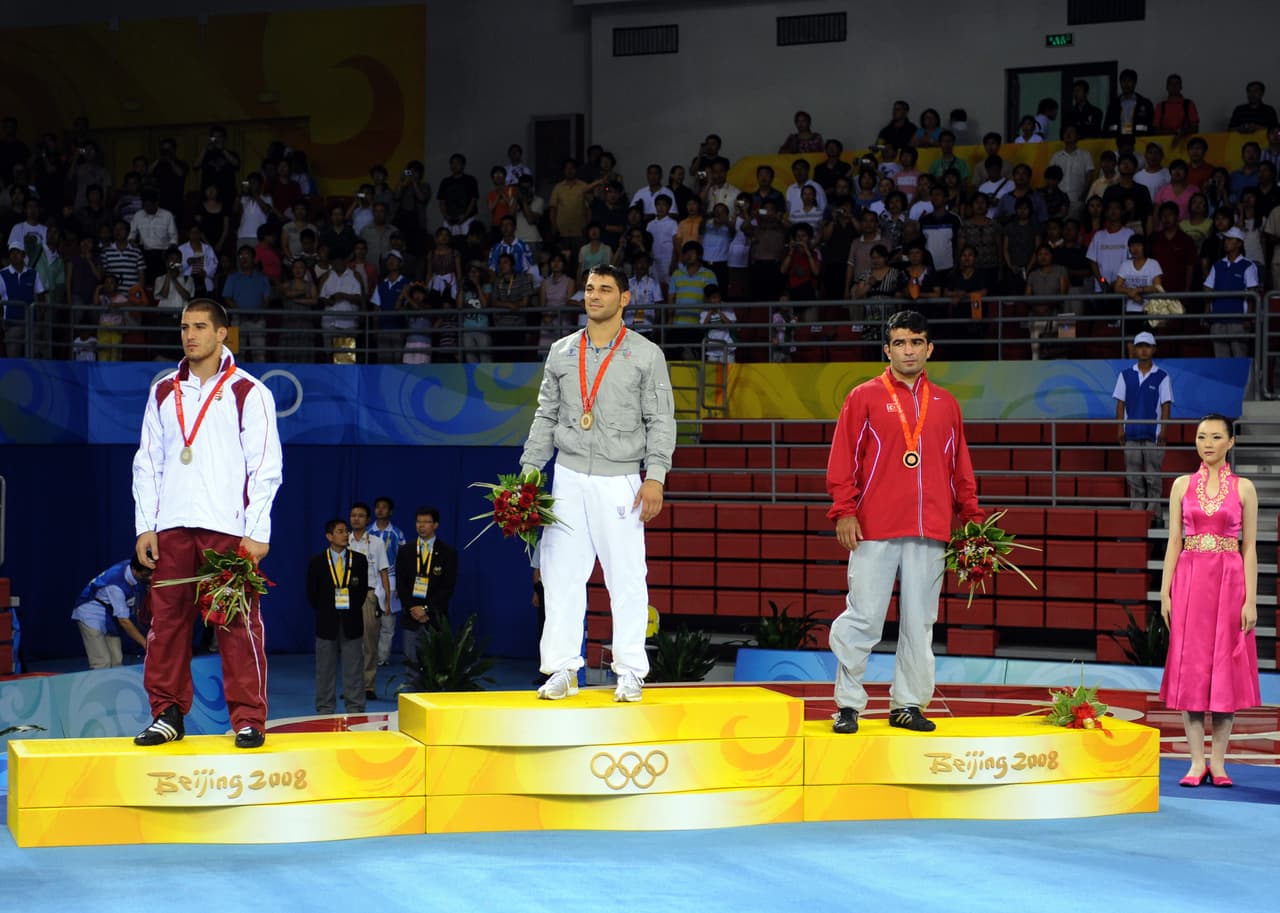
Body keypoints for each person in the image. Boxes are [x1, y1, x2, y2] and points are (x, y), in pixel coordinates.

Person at [519, 264, 676, 703]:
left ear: (625, 298)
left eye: (605, 289)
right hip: (567, 475)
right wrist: (530, 475)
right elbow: (545, 416)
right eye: (589, 289)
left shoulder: (646, 354)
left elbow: (661, 421)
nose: (595, 296)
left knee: (627, 576)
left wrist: (656, 477)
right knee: (559, 574)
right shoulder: (562, 352)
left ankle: (629, 670)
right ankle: (562, 668)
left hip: (621, 478)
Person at [131, 299, 283, 749]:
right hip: (173, 526)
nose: (189, 335)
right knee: (166, 625)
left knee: (237, 624)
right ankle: (166, 714)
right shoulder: (162, 391)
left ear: (222, 335)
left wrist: (257, 531)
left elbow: (265, 467)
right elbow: (147, 464)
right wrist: (145, 525)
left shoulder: (249, 392)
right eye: (183, 327)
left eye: (200, 326)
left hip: (227, 529)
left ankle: (249, 719)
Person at [826, 310, 982, 734]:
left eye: (916, 342)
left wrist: (972, 518)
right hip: (874, 527)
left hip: (931, 529)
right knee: (863, 617)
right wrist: (844, 510)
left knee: (920, 622)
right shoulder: (864, 396)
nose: (908, 350)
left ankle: (907, 703)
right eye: (899, 343)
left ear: (929, 348)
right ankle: (847, 704)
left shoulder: (947, 404)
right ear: (887, 349)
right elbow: (843, 459)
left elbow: (960, 467)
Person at [1159, 414, 1259, 788]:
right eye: (1202, 437)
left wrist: (1250, 600)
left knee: (1224, 672)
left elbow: (1249, 547)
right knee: (1193, 671)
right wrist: (1164, 591)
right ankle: (1196, 761)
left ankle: (1218, 763)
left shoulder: (1245, 488)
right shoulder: (1181, 485)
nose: (1208, 443)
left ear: (1231, 442)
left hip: (1230, 583)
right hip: (1190, 580)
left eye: (1216, 437)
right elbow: (1173, 541)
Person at [306, 519, 371, 715]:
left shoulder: (359, 560)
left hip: (352, 622)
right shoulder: (317, 562)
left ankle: (356, 708)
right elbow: (312, 594)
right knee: (325, 670)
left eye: (346, 531)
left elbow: (361, 593)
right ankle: (325, 709)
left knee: (354, 669)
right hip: (327, 623)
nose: (345, 535)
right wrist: (329, 610)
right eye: (340, 531)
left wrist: (347, 609)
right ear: (329, 537)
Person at [1113, 332, 1173, 516]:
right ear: (1134, 349)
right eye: (1140, 346)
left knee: (1152, 476)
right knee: (1133, 476)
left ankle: (1153, 512)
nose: (1144, 349)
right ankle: (1137, 511)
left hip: (1153, 435)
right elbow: (1120, 404)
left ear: (1153, 349)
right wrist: (1119, 429)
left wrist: (1163, 430)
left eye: (1147, 346)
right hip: (1131, 433)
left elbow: (1165, 405)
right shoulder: (1125, 375)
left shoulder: (1162, 376)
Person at [393, 506, 457, 665]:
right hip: (411, 616)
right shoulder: (405, 551)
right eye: (418, 522)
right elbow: (401, 584)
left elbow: (447, 587)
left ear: (435, 525)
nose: (421, 526)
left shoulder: (448, 552)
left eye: (426, 522)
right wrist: (413, 608)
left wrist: (426, 609)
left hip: (434, 617)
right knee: (412, 665)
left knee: (435, 666)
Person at [71, 556, 152, 670]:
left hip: (109, 613)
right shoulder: (116, 586)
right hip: (89, 612)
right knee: (102, 662)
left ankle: (115, 687)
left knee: (116, 661)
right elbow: (124, 622)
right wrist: (145, 644)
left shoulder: (134, 564)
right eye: (146, 575)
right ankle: (100, 687)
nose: (150, 577)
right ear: (134, 570)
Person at [347, 502, 391, 701]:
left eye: (361, 516)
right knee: (349, 644)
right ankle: (351, 686)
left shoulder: (376, 543)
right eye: (353, 515)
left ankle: (368, 685)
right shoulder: (343, 540)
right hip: (346, 596)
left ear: (367, 520)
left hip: (368, 595)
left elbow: (383, 572)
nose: (356, 519)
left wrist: (387, 600)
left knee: (369, 643)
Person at [1202, 226, 1259, 359]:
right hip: (1218, 319)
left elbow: (1252, 293)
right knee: (1221, 361)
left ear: (1239, 243)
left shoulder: (1248, 265)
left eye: (1230, 239)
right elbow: (1208, 289)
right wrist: (1207, 313)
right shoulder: (1218, 265)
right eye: (1225, 239)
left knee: (1240, 359)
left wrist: (1248, 317)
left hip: (1238, 321)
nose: (1226, 242)